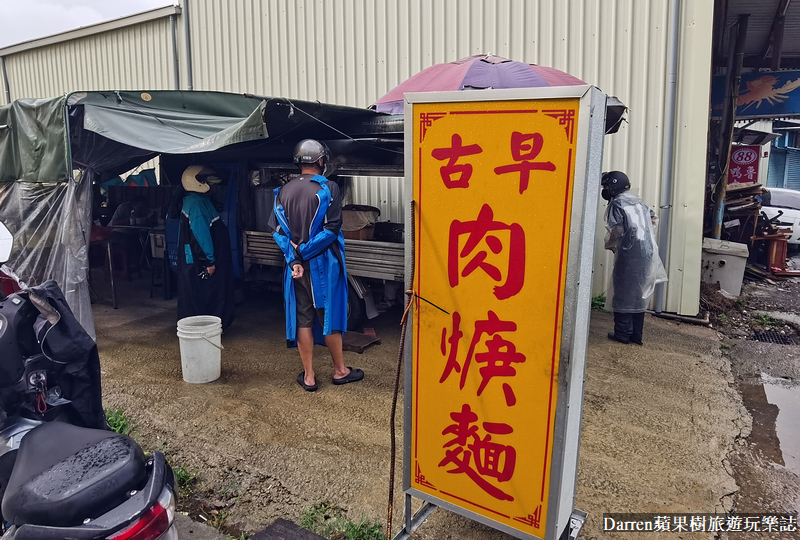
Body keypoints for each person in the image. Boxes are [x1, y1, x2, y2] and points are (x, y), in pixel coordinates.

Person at [270, 139, 363, 392]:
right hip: (323, 264)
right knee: (330, 316)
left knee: (303, 318)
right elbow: (332, 230)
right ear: (321, 161)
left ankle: (309, 376)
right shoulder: (328, 187)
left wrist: (295, 258)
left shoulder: (283, 191)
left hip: (296, 269)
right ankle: (340, 371)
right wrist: (306, 252)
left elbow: (277, 233)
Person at [602, 171, 667, 345]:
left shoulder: (617, 203)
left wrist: (611, 244)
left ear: (614, 186)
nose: (605, 190)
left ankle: (622, 335)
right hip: (646, 254)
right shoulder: (639, 202)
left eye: (607, 186)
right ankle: (635, 336)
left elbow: (616, 230)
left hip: (629, 255)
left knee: (623, 294)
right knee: (639, 294)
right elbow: (653, 218)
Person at [176, 165, 235, 329]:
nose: (213, 185)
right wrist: (209, 262)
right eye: (207, 180)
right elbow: (200, 236)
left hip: (198, 261)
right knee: (205, 296)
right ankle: (207, 329)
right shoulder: (196, 204)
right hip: (200, 263)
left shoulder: (198, 200)